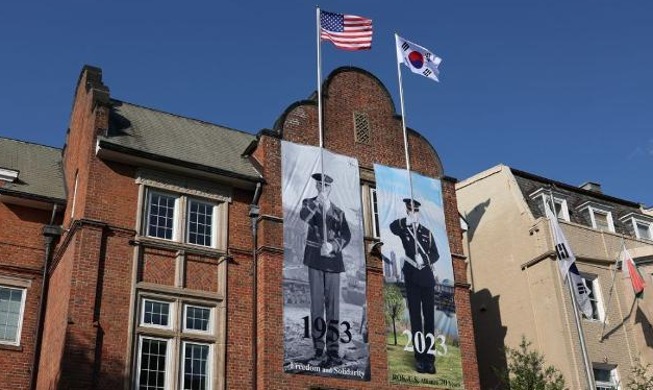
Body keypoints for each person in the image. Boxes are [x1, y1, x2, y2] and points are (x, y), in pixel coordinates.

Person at [299, 173, 351, 367]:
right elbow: (304, 217)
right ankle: (318, 350)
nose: (322, 188)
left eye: (325, 186)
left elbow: (347, 234)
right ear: (316, 187)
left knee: (333, 310)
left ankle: (334, 352)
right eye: (319, 185)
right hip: (314, 259)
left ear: (330, 188)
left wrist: (334, 246)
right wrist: (317, 204)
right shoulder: (308, 203)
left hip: (333, 262)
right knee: (317, 308)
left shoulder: (339, 212)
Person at [390, 198, 439, 374]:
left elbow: (435, 254)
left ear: (419, 212)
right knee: (416, 319)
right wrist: (405, 222)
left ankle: (430, 359)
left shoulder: (427, 232)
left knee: (430, 320)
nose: (413, 213)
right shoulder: (404, 230)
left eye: (415, 211)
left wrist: (425, 259)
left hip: (426, 277)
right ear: (407, 211)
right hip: (411, 275)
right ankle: (419, 358)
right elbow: (392, 227)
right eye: (410, 211)